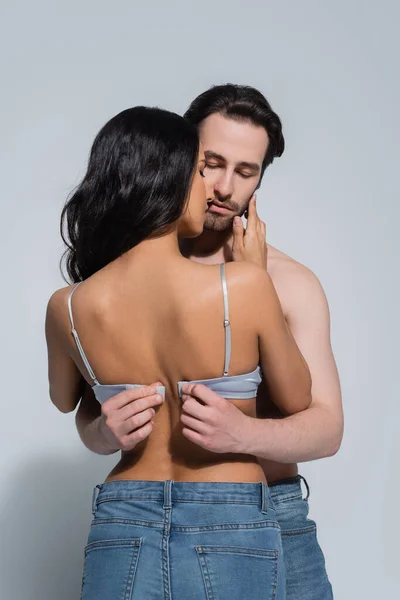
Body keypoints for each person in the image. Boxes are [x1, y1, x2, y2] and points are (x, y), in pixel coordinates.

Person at [75, 85, 343, 600]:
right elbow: (87, 416)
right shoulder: (123, 276)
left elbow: (326, 429)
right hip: (146, 514)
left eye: (245, 172)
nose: (223, 186)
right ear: (180, 157)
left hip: (274, 513)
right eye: (210, 163)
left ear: (262, 177)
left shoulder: (290, 281)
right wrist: (104, 434)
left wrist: (243, 435)